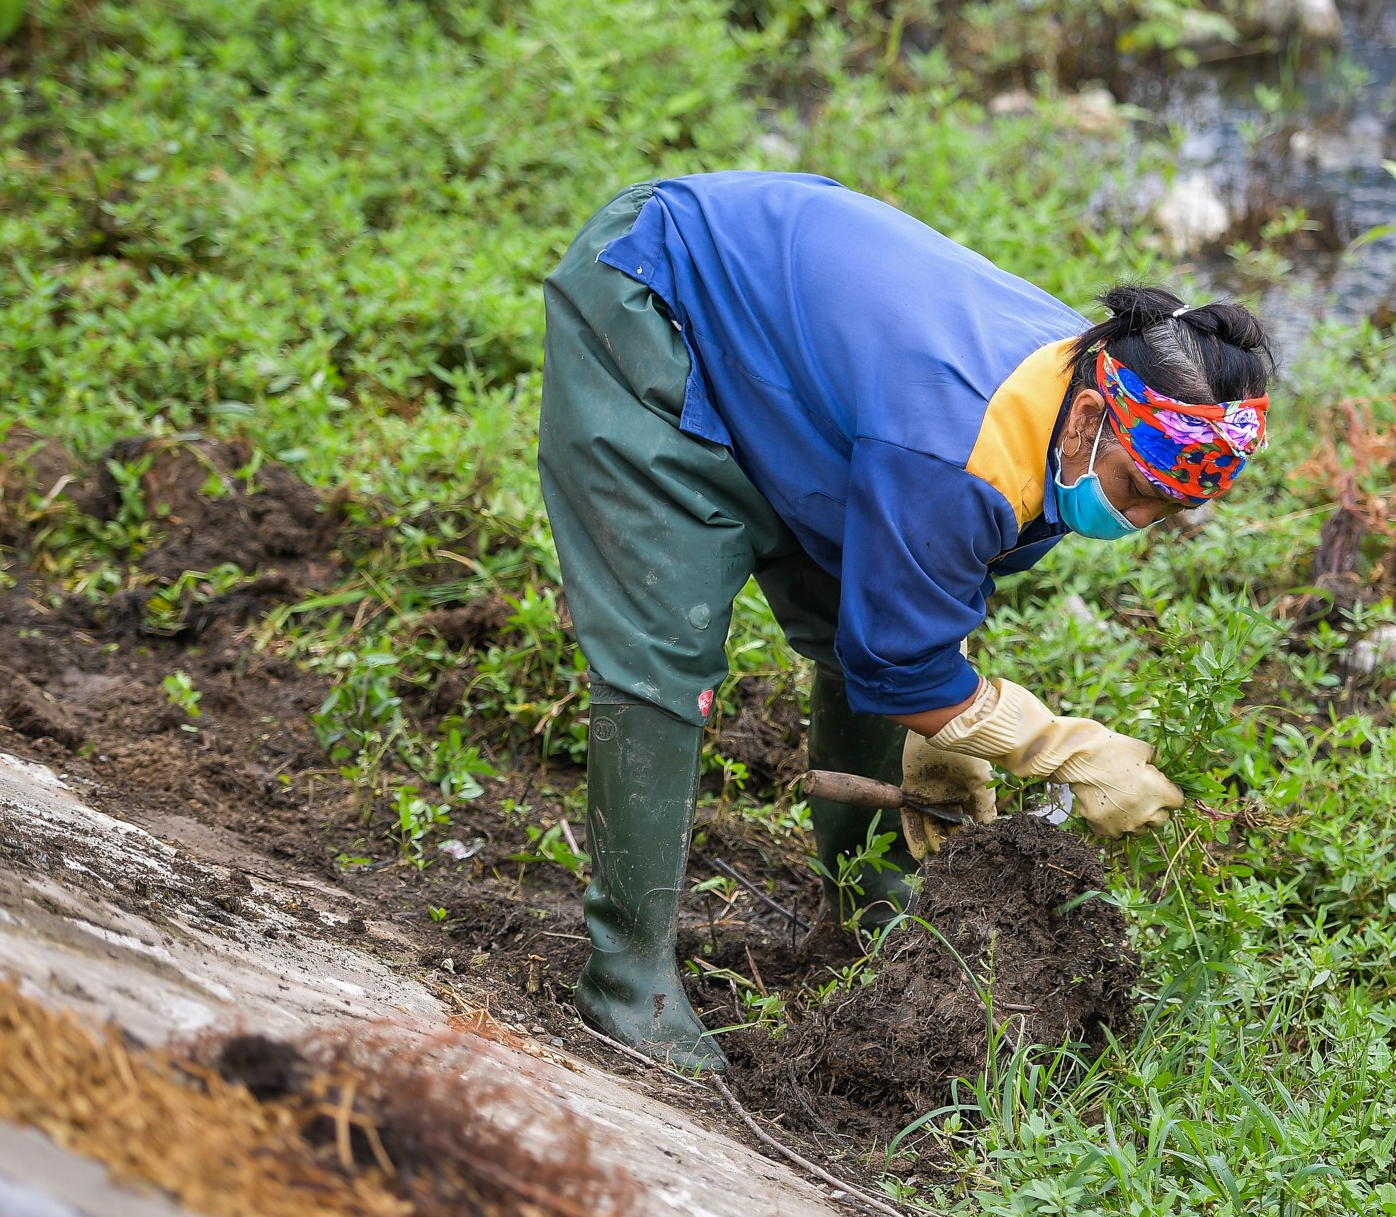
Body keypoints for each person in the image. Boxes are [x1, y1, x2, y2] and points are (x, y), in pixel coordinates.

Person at [538, 171, 1274, 1071]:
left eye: (1172, 508)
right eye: (1140, 492)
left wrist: (948, 727)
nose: (1145, 522)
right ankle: (628, 979)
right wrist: (1058, 747)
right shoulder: (961, 438)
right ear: (1091, 418)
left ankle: (865, 904)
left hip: (794, 347)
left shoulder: (1085, 383)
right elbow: (905, 650)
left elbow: (926, 582)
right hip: (663, 292)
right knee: (664, 640)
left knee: (864, 606)